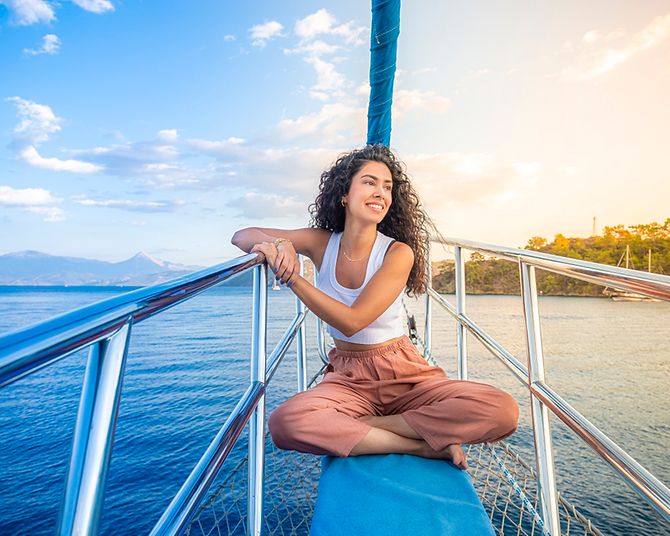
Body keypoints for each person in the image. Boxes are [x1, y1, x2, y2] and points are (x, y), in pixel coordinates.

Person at [231, 145, 518, 469]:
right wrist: (277, 244)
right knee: (285, 424)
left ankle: (365, 427)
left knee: (502, 410)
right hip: (349, 377)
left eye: (387, 187)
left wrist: (293, 278)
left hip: (406, 375)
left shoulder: (398, 253)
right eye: (369, 182)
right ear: (344, 193)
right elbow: (242, 235)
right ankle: (421, 446)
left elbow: (353, 322)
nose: (380, 192)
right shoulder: (321, 242)